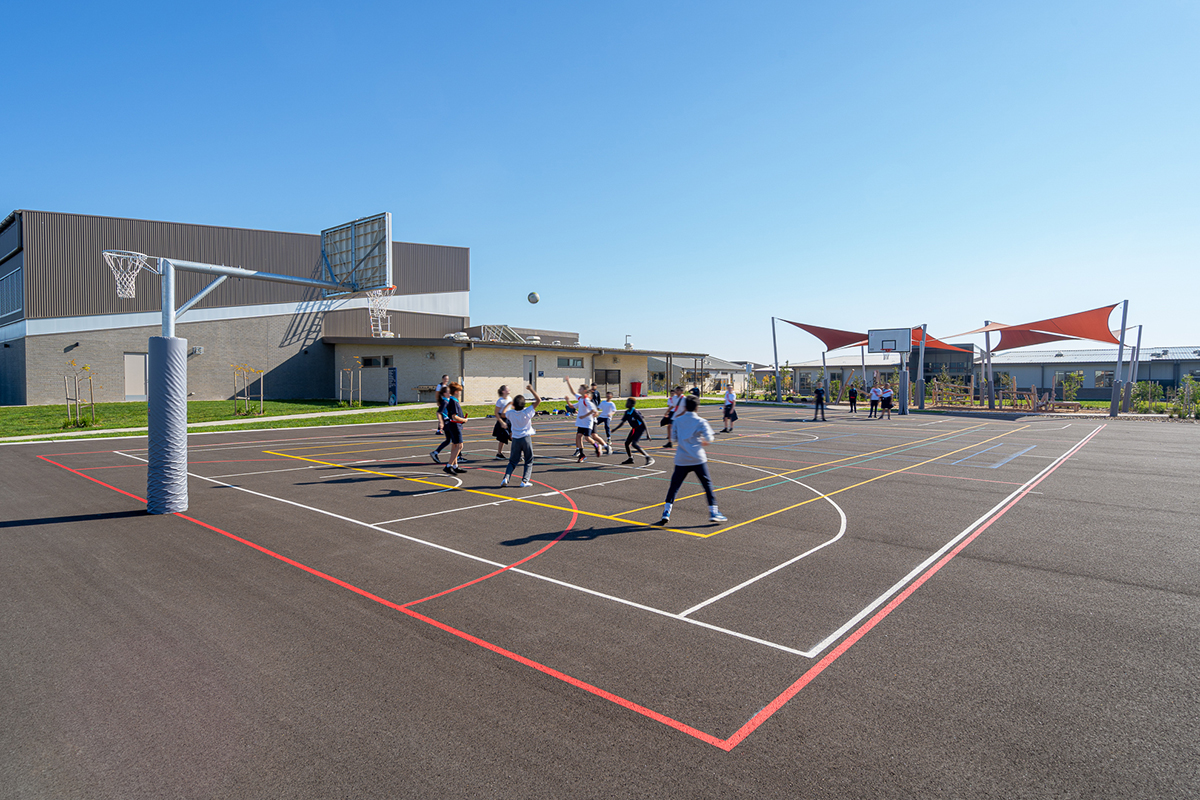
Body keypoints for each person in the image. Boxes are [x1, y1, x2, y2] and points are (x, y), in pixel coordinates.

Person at [655, 395, 726, 525]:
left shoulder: (678, 420)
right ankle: (713, 511)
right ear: (697, 407)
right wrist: (701, 441)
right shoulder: (701, 421)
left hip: (682, 458)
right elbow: (710, 438)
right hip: (697, 457)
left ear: (685, 406)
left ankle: (666, 511)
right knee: (707, 484)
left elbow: (674, 438)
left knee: (674, 486)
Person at [500, 385, 541, 487]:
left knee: (513, 461)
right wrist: (531, 389)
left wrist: (508, 404)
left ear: (514, 404)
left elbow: (502, 414)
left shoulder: (511, 413)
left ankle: (506, 478)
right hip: (526, 438)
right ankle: (524, 481)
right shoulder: (527, 411)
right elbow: (538, 400)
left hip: (515, 439)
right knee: (528, 460)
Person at [565, 377, 606, 461]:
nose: (578, 389)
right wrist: (568, 382)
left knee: (587, 438)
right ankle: (582, 454)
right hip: (581, 421)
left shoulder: (586, 400)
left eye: (580, 388)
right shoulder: (580, 398)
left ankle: (597, 446)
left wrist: (586, 416)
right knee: (578, 436)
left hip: (587, 421)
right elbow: (572, 398)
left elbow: (594, 411)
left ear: (584, 391)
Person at [611, 397, 655, 466]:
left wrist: (647, 434)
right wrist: (615, 429)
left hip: (640, 428)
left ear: (632, 404)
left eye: (628, 402)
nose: (626, 404)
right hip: (634, 428)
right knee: (626, 443)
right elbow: (622, 422)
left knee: (634, 444)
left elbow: (643, 422)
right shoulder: (627, 412)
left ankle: (648, 457)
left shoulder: (635, 413)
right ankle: (630, 458)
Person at [438, 383, 468, 473]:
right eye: (459, 392)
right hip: (455, 425)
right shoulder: (454, 402)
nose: (460, 394)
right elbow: (454, 416)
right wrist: (464, 420)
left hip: (453, 425)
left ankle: (455, 466)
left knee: (455, 445)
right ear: (455, 392)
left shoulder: (452, 401)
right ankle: (448, 465)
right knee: (459, 446)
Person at [492, 385, 513, 458]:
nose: (509, 390)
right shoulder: (500, 401)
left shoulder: (510, 398)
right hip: (503, 419)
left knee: (512, 436)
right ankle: (499, 453)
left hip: (509, 419)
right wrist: (501, 422)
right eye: (507, 389)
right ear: (503, 391)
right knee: (502, 438)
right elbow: (496, 413)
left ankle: (516, 454)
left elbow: (512, 408)